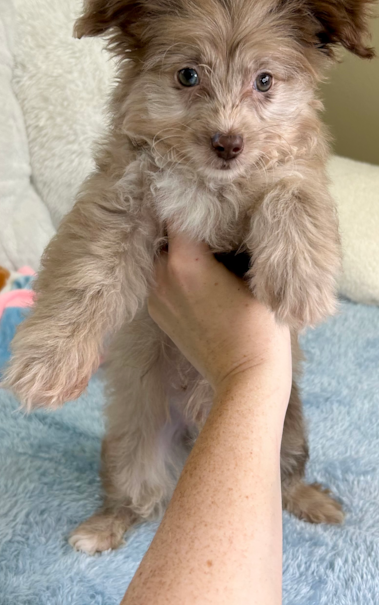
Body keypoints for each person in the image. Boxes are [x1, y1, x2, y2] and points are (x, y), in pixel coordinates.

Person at [121, 230, 293, 605]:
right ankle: (122, 509)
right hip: (159, 371)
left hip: (244, 336)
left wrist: (249, 370)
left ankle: (293, 484)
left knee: (287, 421)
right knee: (137, 431)